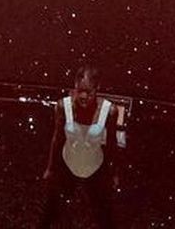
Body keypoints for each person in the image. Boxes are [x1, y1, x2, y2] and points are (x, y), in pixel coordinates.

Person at [39, 67, 120, 227]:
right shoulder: (63, 106)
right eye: (80, 90)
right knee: (51, 209)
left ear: (97, 88)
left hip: (95, 167)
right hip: (68, 164)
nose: (83, 96)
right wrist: (51, 168)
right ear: (74, 86)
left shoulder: (110, 111)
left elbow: (112, 143)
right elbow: (57, 138)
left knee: (104, 214)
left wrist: (114, 173)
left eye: (88, 92)